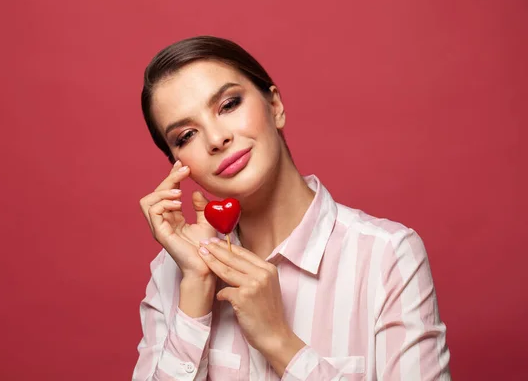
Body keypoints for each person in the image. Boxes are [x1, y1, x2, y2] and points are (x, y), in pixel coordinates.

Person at [132, 36, 451, 380]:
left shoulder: (387, 256)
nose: (215, 139)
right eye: (186, 135)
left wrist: (278, 340)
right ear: (179, 164)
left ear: (275, 106)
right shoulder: (174, 271)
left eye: (228, 105)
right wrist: (195, 288)